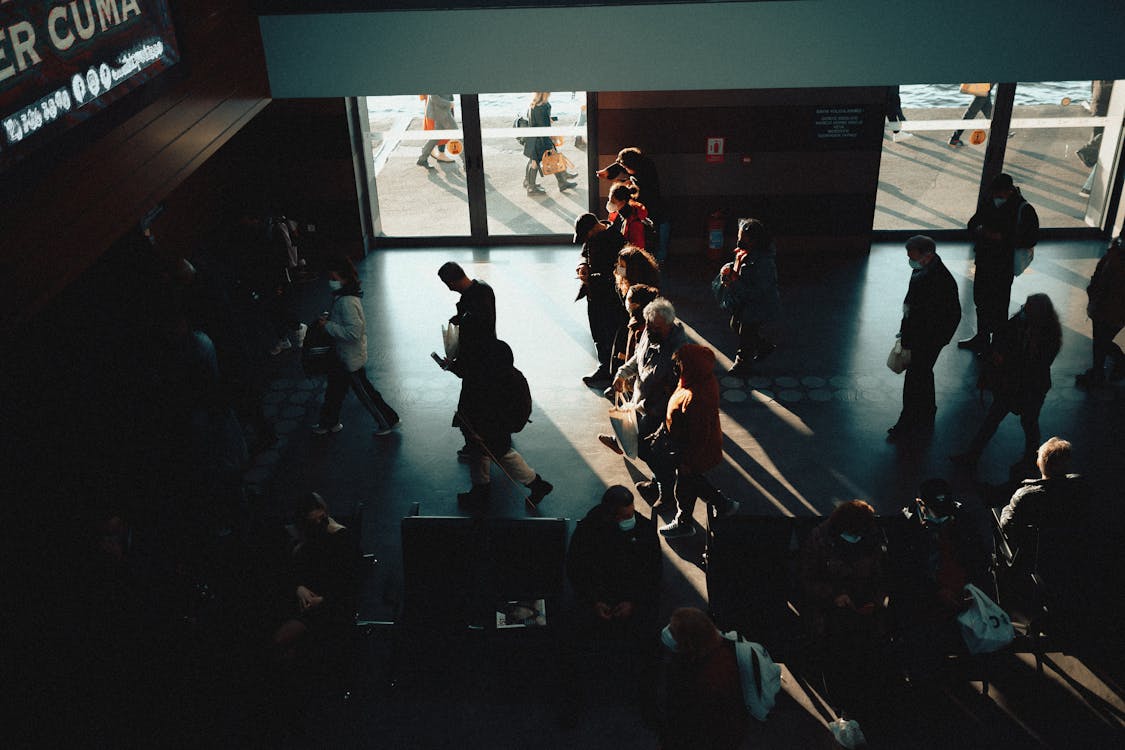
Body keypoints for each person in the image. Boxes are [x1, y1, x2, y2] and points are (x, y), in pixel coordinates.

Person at [952, 293, 1062, 474]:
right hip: (1022, 386)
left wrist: (1003, 360)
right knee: (1026, 423)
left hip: (1024, 386)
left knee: (1010, 420)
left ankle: (974, 455)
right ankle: (1029, 460)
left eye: (1028, 308)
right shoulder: (1046, 332)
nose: (1024, 309)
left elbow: (1030, 364)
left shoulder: (1043, 336)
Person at [892, 479, 989, 676]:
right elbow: (904, 571)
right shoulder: (906, 527)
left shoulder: (963, 520)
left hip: (961, 591)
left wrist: (969, 588)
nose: (943, 515)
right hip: (924, 596)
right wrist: (936, 591)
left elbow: (979, 559)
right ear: (921, 504)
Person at [443, 338, 553, 509]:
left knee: (502, 456)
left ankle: (535, 484)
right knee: (484, 456)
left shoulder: (495, 380)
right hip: (482, 426)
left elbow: (502, 412)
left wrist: (482, 431)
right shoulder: (500, 375)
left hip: (488, 428)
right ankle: (482, 490)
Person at [602, 298, 688, 505]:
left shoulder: (680, 351)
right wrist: (622, 374)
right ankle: (660, 482)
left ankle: (666, 491)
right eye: (648, 324)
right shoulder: (650, 333)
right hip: (642, 403)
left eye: (655, 327)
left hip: (659, 410)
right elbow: (637, 358)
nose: (649, 330)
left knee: (650, 451)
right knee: (645, 448)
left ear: (669, 324)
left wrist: (653, 410)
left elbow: (677, 389)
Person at [654, 344, 740, 539]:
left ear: (691, 366)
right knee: (692, 482)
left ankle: (685, 522)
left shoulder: (696, 397)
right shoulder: (698, 380)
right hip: (692, 450)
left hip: (692, 452)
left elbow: (699, 435)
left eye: (680, 363)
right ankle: (722, 504)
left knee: (686, 484)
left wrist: (687, 461)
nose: (676, 367)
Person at [312, 256, 400, 436]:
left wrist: (327, 326)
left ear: (344, 279)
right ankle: (329, 422)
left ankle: (388, 421)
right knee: (335, 391)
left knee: (365, 394)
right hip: (344, 356)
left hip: (349, 359)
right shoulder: (345, 297)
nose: (331, 282)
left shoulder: (346, 302)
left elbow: (354, 333)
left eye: (334, 279)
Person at [886, 235, 961, 442]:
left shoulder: (936, 279)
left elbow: (932, 314)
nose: (910, 260)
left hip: (926, 339)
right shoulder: (926, 270)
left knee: (914, 378)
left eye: (912, 256)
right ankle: (927, 409)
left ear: (927, 255)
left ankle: (907, 420)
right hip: (926, 337)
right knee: (923, 372)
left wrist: (919, 338)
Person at [566, 485, 662, 642]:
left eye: (631, 514)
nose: (631, 520)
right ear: (610, 516)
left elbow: (653, 572)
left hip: (632, 597)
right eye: (625, 516)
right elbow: (576, 568)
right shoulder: (588, 530)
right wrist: (594, 600)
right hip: (598, 596)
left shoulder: (645, 530)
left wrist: (633, 602)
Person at [272, 492, 361, 661]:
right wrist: (299, 588)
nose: (319, 523)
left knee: (281, 640)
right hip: (306, 599)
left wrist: (321, 600)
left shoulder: (341, 538)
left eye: (321, 518)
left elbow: (348, 582)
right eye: (313, 522)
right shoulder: (307, 539)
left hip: (330, 604)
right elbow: (292, 571)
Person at [958, 173, 1039, 353]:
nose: (996, 197)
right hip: (985, 261)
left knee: (999, 304)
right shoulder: (991, 201)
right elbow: (972, 223)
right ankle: (983, 337)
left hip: (1003, 265)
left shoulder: (1023, 209)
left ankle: (997, 344)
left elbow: (1031, 238)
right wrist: (980, 230)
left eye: (999, 194)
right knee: (981, 300)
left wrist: (1002, 238)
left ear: (1009, 191)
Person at [657, 607, 748, 750]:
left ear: (688, 642)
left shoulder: (707, 682)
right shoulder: (721, 651)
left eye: (673, 632)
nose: (667, 632)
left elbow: (689, 725)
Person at [438, 261, 498, 460]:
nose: (448, 288)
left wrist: (457, 364)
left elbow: (478, 327)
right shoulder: (482, 289)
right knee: (486, 401)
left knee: (470, 408)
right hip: (486, 358)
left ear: (451, 281)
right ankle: (493, 437)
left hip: (478, 361)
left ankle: (476, 446)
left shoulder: (474, 298)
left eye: (447, 283)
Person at [711, 218, 780, 377]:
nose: (739, 242)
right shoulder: (745, 254)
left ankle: (742, 364)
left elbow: (758, 291)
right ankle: (762, 346)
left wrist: (734, 282)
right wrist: (729, 270)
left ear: (754, 241)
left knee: (746, 332)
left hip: (759, 304)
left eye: (743, 239)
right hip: (745, 302)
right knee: (735, 324)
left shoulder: (764, 262)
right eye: (738, 238)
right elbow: (739, 267)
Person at [999, 437, 1090, 553]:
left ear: (1038, 463)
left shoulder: (1025, 495)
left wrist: (1007, 508)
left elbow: (1006, 526)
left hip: (1034, 557)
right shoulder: (1080, 486)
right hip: (1071, 553)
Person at [574, 212, 628, 386]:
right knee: (597, 330)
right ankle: (604, 366)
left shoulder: (617, 240)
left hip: (610, 295)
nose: (586, 239)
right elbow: (584, 255)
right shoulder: (593, 237)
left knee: (611, 332)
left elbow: (622, 268)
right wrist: (582, 266)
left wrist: (598, 276)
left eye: (586, 235)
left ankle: (612, 369)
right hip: (594, 293)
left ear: (594, 228)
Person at [597, 147, 670, 267]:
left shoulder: (645, 176)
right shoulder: (640, 162)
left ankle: (659, 258)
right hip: (651, 210)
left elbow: (638, 243)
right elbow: (621, 164)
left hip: (653, 208)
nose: (624, 169)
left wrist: (625, 182)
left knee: (658, 232)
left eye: (626, 168)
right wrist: (608, 171)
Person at [1076, 236, 1125, 387]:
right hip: (1108, 308)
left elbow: (1103, 279)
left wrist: (1093, 296)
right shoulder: (1116, 255)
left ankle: (1100, 373)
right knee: (1101, 341)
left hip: (1108, 309)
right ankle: (1101, 372)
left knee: (1101, 341)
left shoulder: (1115, 255)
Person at [523, 92, 577, 196]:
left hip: (534, 139)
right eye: (548, 93)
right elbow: (545, 127)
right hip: (541, 139)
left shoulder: (533, 105)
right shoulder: (542, 107)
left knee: (535, 161)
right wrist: (551, 140)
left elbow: (537, 123)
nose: (550, 95)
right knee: (547, 159)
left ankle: (530, 184)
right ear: (544, 94)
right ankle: (533, 187)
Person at [417, 94, 458, 168]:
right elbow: (434, 97)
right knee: (457, 135)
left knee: (437, 136)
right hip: (441, 111)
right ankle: (468, 162)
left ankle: (423, 159)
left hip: (442, 109)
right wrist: (449, 104)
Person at [605, 181, 649, 249]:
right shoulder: (616, 213)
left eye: (613, 201)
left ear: (623, 202)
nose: (610, 203)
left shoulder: (635, 221)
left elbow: (638, 249)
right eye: (609, 200)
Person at [949, 83, 993, 148]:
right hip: (982, 93)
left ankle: (1001, 132)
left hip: (985, 91)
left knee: (990, 113)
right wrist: (982, 94)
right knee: (969, 116)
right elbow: (962, 89)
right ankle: (954, 139)